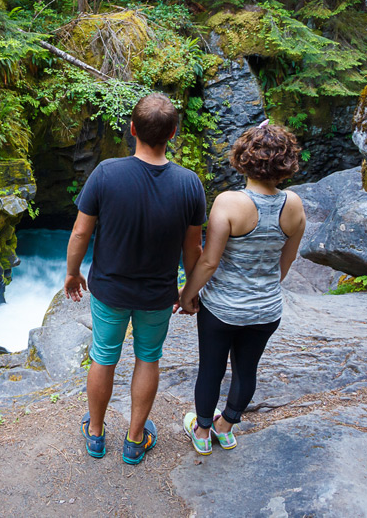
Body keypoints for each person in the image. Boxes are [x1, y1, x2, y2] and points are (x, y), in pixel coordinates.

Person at [65, 93, 206, 465]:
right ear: (173, 133)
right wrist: (189, 293)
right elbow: (193, 250)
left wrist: (72, 273)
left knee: (104, 356)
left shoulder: (106, 173)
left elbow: (80, 234)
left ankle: (95, 434)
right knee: (148, 358)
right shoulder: (190, 184)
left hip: (109, 290)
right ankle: (134, 439)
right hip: (158, 295)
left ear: (132, 129)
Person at [178, 121, 306, 455]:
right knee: (246, 370)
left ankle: (203, 432)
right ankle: (227, 426)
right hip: (266, 310)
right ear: (287, 163)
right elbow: (287, 261)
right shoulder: (293, 205)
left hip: (221, 309)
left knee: (211, 368)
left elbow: (208, 262)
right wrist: (261, 290)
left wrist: (187, 294)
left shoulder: (229, 203)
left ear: (243, 158)